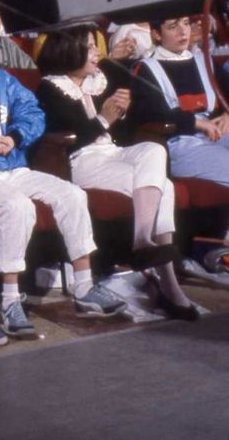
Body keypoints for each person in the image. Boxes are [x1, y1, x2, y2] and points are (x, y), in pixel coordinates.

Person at [0, 17, 127, 336]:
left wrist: (15, 137)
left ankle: (84, 288)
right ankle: (10, 301)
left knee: (72, 194)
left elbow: (33, 114)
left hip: (13, 166)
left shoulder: (2, 79)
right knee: (17, 206)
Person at [36, 25, 196, 320]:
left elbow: (128, 121)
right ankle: (171, 287)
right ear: (70, 49)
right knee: (167, 188)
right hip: (81, 161)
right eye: (90, 46)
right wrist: (103, 118)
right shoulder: (50, 88)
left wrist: (123, 111)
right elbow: (69, 140)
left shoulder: (101, 79)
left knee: (154, 150)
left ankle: (141, 239)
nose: (97, 52)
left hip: (113, 153)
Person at [129, 15, 229, 187]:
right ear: (157, 35)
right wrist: (196, 123)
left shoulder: (205, 61)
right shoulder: (146, 68)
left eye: (185, 24)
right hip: (180, 142)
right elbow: (152, 112)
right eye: (173, 26)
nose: (183, 31)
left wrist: (227, 114)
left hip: (218, 131)